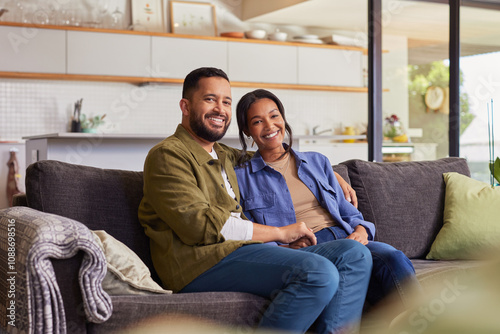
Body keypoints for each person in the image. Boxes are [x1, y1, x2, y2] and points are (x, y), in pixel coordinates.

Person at [138, 67, 372, 334]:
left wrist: (329, 172)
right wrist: (280, 233)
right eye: (210, 99)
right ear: (186, 106)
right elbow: (198, 225)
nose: (220, 109)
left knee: (353, 253)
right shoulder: (167, 155)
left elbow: (276, 154)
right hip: (199, 263)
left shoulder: (224, 155)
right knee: (318, 273)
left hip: (240, 251)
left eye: (226, 101)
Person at [234, 89, 420, 310]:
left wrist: (360, 231)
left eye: (274, 116)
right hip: (309, 249)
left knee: (394, 259)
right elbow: (246, 229)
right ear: (247, 130)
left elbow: (350, 213)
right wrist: (283, 246)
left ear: (283, 118)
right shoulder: (241, 177)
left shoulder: (317, 162)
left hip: (347, 237)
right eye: (257, 121)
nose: (270, 126)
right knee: (377, 288)